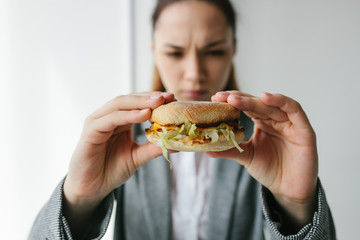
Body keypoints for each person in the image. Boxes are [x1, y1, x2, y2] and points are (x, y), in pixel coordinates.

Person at [29, 0, 336, 239]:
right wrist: (80, 198)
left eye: (213, 51)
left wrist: (297, 205)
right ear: (154, 52)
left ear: (233, 50)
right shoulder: (119, 141)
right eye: (175, 53)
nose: (194, 73)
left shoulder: (267, 142)